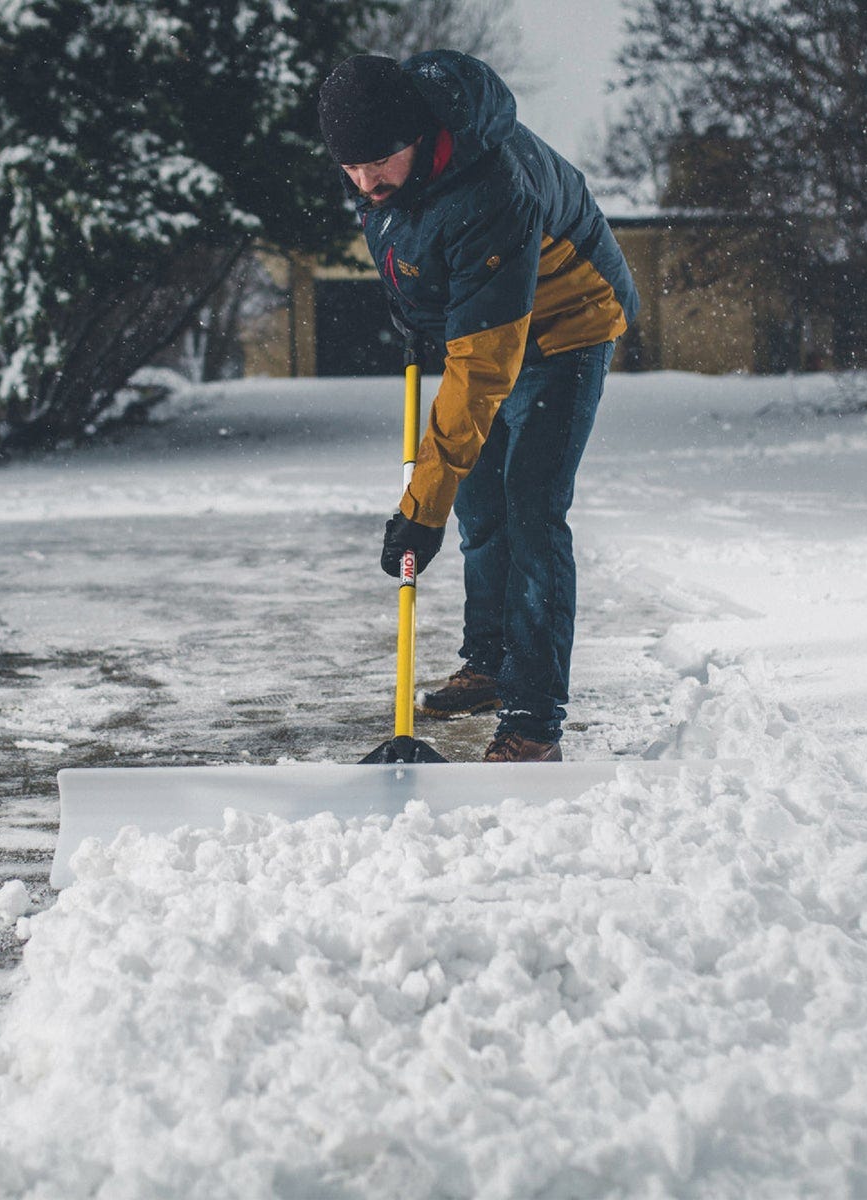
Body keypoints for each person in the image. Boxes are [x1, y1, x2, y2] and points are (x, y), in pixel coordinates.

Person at [317, 50, 639, 763]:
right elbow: (413, 238)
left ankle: (533, 719)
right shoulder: (391, 168)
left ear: (417, 137)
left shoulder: (489, 184)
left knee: (532, 511)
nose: (366, 182)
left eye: (379, 162)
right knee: (482, 507)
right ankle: (489, 664)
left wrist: (418, 510)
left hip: (568, 328)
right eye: (352, 167)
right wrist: (417, 308)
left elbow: (482, 368)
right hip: (495, 326)